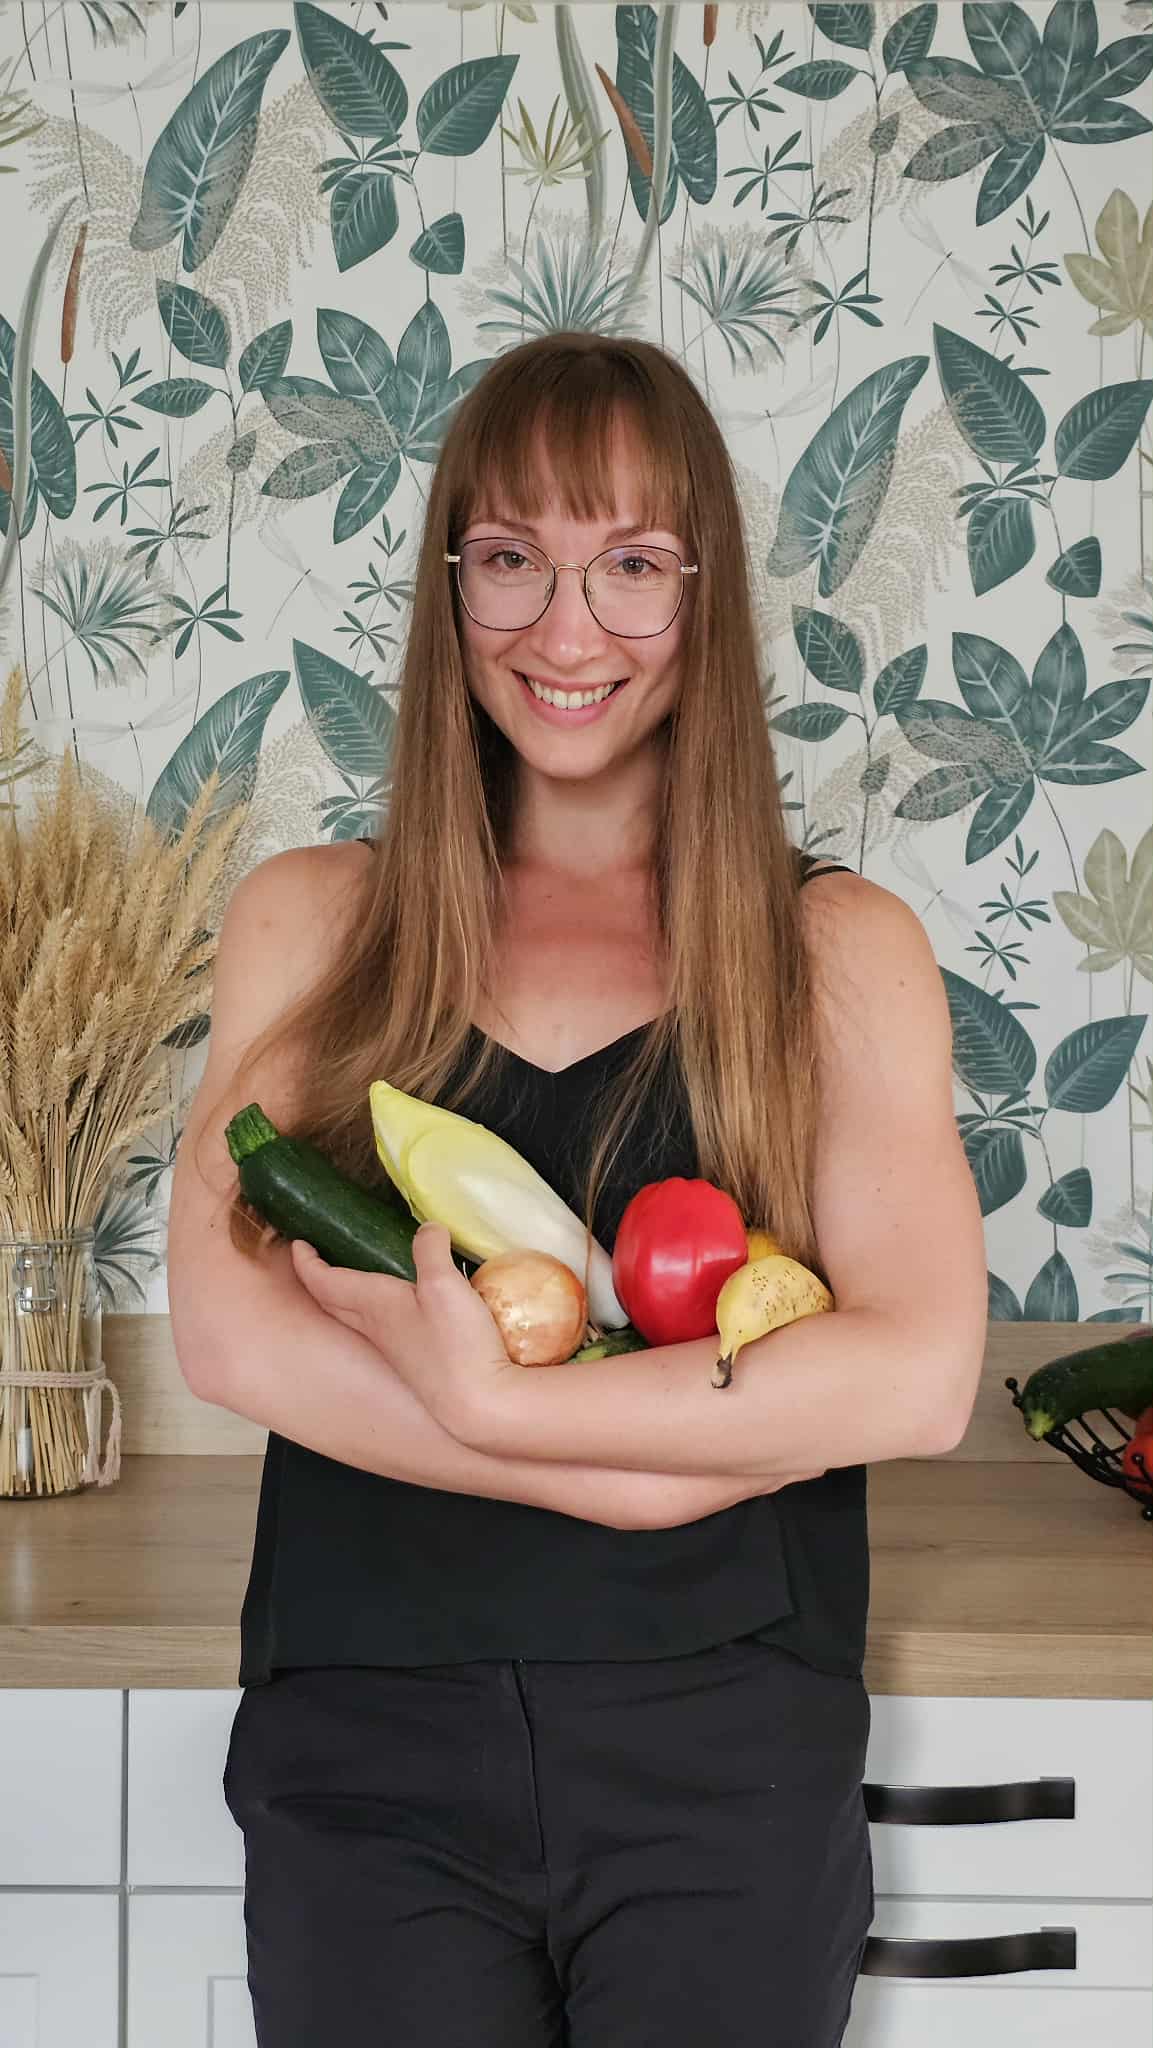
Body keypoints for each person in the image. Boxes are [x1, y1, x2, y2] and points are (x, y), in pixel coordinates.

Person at [168, 331, 988, 2046]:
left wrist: (486, 1403)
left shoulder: (834, 953)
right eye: (511, 561)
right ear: (447, 584)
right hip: (365, 1744)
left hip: (724, 1756)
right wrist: (620, 1472)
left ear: (705, 592)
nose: (564, 631)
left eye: (629, 567)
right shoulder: (315, 919)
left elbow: (912, 1377)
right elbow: (230, 1339)